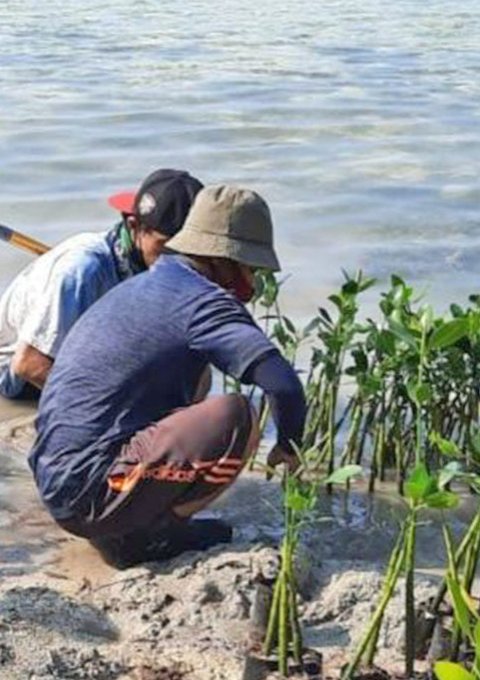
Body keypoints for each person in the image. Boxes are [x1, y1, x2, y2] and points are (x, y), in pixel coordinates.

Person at [29, 184, 306, 568]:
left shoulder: (145, 286)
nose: (255, 283)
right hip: (89, 493)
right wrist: (290, 447)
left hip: (57, 482)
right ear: (226, 260)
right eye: (252, 268)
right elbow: (283, 385)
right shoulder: (204, 302)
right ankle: (152, 536)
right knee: (238, 414)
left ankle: (127, 521)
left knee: (196, 386)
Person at [0, 168, 203, 398]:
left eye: (189, 249)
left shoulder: (154, 264)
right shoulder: (82, 270)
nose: (180, 258)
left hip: (84, 356)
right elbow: (29, 365)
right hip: (17, 377)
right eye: (167, 246)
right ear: (135, 226)